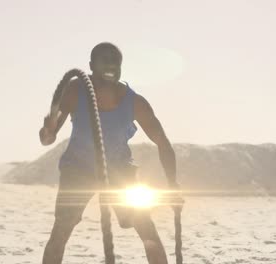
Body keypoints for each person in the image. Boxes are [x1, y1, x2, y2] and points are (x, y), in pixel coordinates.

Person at [40, 42, 182, 264]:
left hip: (119, 169)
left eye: (115, 61)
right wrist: (47, 129)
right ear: (91, 66)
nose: (110, 65)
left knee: (146, 228)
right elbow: (47, 139)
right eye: (104, 60)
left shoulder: (135, 102)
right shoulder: (76, 91)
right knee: (61, 230)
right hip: (78, 168)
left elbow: (163, 142)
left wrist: (173, 185)